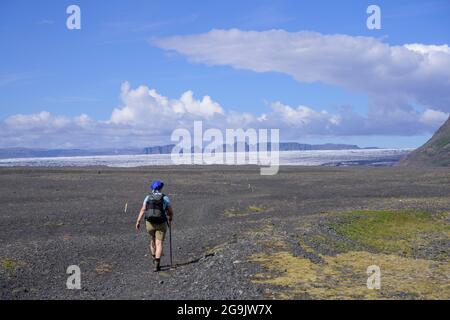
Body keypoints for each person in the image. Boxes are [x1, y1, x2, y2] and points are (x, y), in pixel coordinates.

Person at [135, 180, 173, 272]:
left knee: (152, 240)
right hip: (161, 223)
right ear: (161, 188)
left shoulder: (148, 197)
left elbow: (143, 209)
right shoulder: (165, 198)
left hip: (150, 223)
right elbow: (170, 211)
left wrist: (138, 221)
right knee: (159, 243)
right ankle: (157, 265)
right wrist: (170, 217)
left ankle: (154, 257)